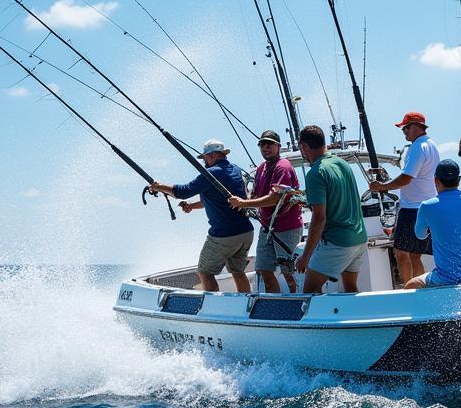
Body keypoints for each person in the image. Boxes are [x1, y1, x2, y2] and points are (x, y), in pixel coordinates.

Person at [148, 139, 253, 293]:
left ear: (212, 155)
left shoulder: (211, 173)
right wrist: (191, 206)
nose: (204, 161)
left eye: (204, 157)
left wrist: (158, 186)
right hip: (245, 232)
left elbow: (183, 191)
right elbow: (215, 197)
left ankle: (213, 308)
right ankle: (246, 305)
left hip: (224, 235)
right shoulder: (235, 170)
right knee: (237, 272)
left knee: (205, 272)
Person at [294, 124, 368, 294]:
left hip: (338, 242)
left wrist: (305, 256)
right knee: (350, 289)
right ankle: (356, 318)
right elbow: (337, 197)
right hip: (359, 239)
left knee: (310, 291)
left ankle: (321, 322)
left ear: (303, 147)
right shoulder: (342, 163)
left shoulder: (315, 173)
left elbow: (319, 217)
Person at [368, 111, 439, 286]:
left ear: (416, 126)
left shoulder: (417, 147)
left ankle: (409, 288)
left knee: (400, 252)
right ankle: (420, 289)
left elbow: (407, 177)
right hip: (427, 206)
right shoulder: (431, 145)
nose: (404, 132)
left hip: (412, 209)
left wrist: (381, 186)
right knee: (415, 254)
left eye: (406, 128)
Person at [228, 129, 303, 293]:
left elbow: (275, 198)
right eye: (262, 144)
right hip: (267, 228)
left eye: (269, 144)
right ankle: (275, 307)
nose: (265, 147)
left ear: (278, 146)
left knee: (287, 271)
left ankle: (295, 304)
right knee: (264, 270)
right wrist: (245, 200)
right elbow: (256, 194)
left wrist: (245, 203)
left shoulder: (283, 167)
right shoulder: (261, 168)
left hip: (287, 228)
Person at [404, 159, 461, 289]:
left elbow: (420, 235)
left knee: (410, 285)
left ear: (435, 180)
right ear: (459, 179)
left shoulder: (427, 206)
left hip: (448, 278)